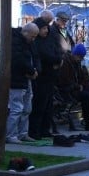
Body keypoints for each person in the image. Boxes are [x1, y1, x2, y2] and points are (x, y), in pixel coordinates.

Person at [30, 11, 61, 139]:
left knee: (48, 105)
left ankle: (45, 129)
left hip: (50, 77)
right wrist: (55, 60)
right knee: (39, 105)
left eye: (46, 28)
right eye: (43, 28)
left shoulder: (50, 39)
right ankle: (35, 131)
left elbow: (57, 52)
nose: (46, 31)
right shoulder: (36, 42)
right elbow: (44, 55)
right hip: (41, 78)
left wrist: (58, 60)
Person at [7, 22, 40, 144]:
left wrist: (35, 70)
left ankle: (22, 133)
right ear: (25, 32)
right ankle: (11, 135)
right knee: (17, 108)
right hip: (17, 80)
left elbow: (34, 57)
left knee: (27, 108)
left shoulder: (28, 42)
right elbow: (18, 60)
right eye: (32, 36)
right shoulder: (15, 41)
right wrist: (32, 70)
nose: (34, 39)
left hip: (26, 79)